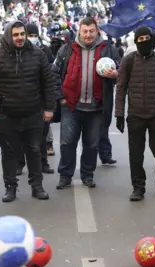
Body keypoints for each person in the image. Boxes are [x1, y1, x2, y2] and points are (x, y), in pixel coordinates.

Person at [0, 21, 55, 203]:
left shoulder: (38, 53)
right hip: (6, 115)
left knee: (35, 151)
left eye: (22, 34)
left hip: (33, 114)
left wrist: (49, 108)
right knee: (9, 153)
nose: (20, 37)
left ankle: (37, 187)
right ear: (8, 35)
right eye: (16, 35)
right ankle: (10, 188)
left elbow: (48, 82)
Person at [52, 17, 120, 189]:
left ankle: (87, 175)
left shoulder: (108, 49)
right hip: (71, 106)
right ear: (79, 32)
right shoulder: (67, 49)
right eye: (85, 31)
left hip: (97, 107)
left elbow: (120, 71)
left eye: (91, 31)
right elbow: (53, 74)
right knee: (67, 143)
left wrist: (115, 75)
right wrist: (61, 98)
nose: (88, 35)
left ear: (97, 31)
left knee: (91, 145)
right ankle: (65, 175)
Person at [115, 26, 155, 201]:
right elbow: (121, 88)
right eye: (139, 40)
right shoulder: (129, 60)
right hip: (135, 115)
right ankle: (138, 187)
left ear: (152, 39)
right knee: (136, 155)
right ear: (136, 41)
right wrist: (119, 114)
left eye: (146, 38)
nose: (143, 42)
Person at [16, 23, 56, 176]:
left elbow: (50, 75)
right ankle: (20, 164)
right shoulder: (18, 52)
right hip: (23, 98)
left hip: (40, 98)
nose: (32, 38)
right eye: (30, 35)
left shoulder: (44, 50)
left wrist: (50, 104)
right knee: (21, 135)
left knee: (41, 134)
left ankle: (43, 163)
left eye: (34, 35)